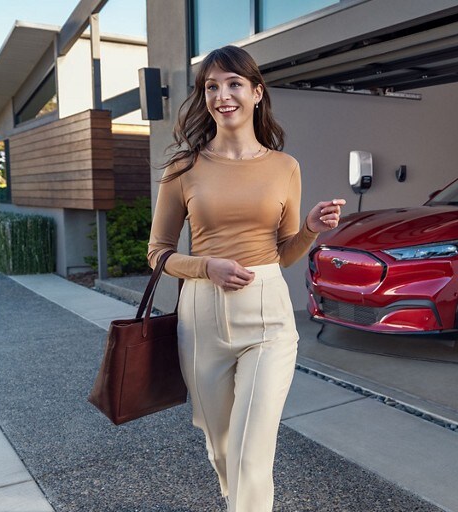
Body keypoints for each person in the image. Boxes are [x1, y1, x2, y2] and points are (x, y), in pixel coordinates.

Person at [147, 45, 346, 511]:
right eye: (211, 86)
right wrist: (205, 266)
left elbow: (284, 255)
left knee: (251, 453)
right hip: (202, 319)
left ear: (257, 93)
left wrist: (311, 230)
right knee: (221, 447)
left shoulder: (285, 167)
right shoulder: (183, 168)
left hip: (268, 319)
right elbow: (157, 254)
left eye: (233, 84)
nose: (222, 95)